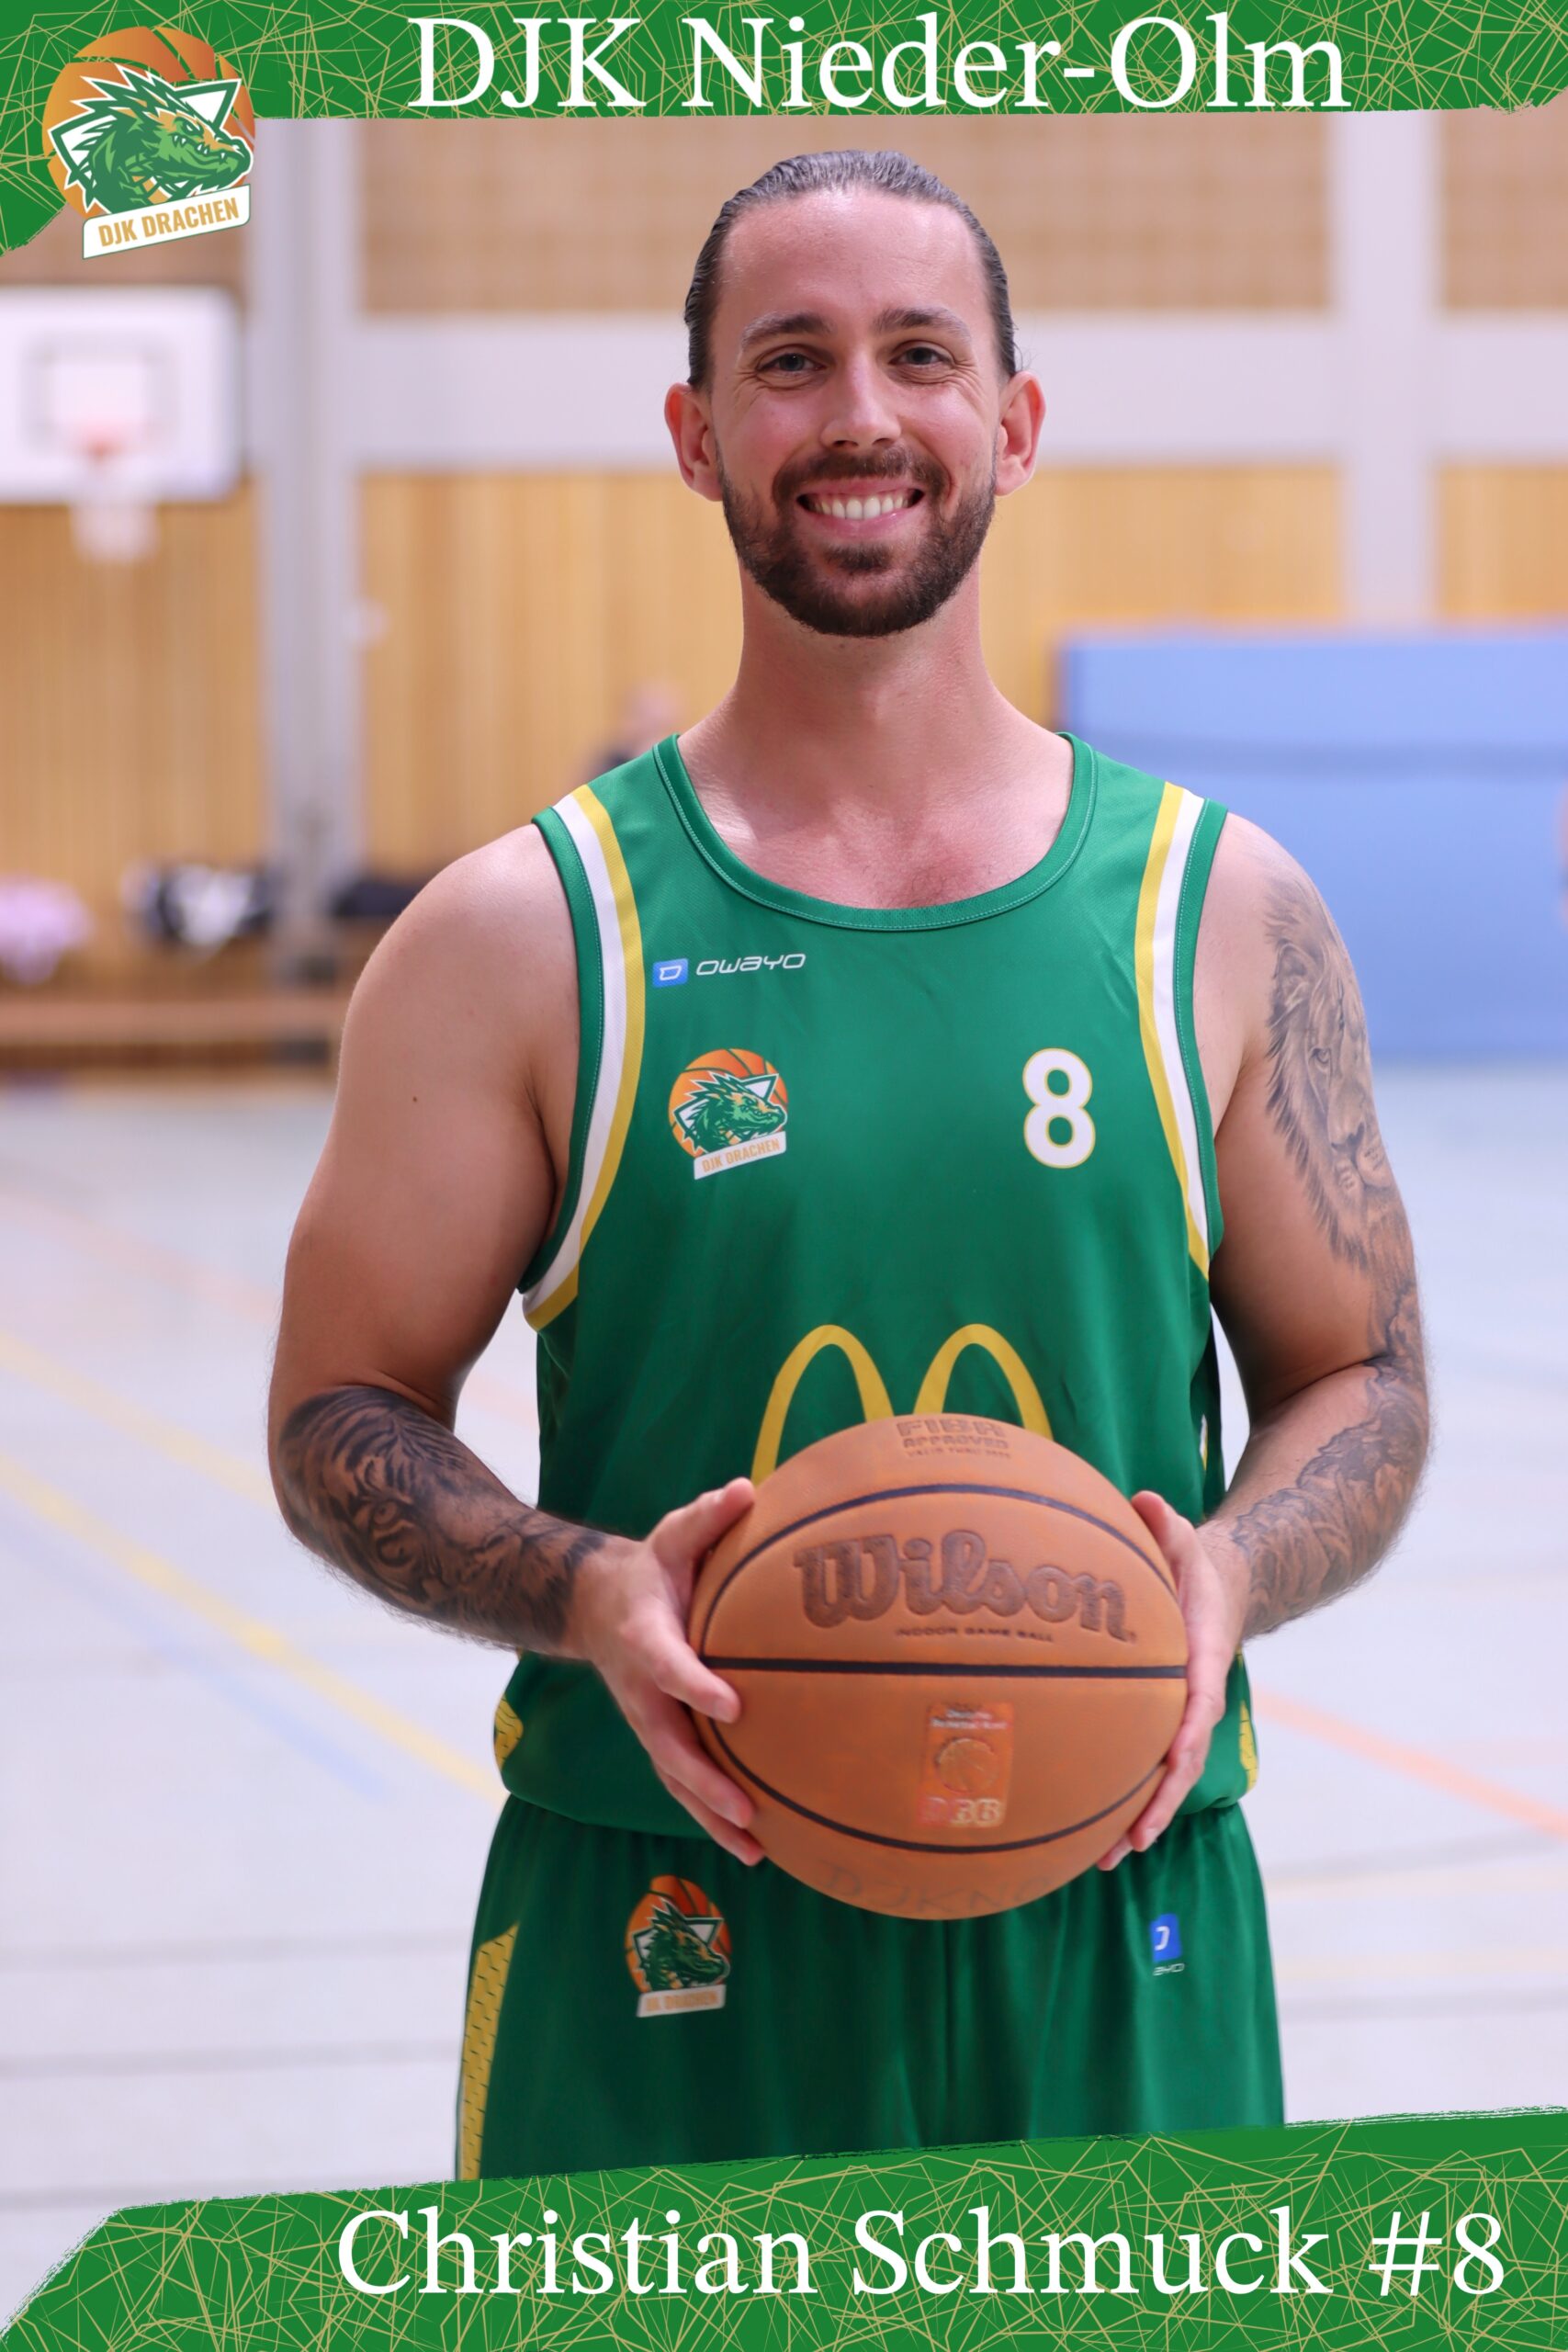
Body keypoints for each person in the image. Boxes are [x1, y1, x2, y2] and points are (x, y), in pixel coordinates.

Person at [268, 150, 1428, 2179]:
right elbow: (336, 1413)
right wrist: (585, 1588)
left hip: (1119, 1918)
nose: (860, 416)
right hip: (668, 1929)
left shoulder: (1220, 912)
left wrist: (1232, 1567)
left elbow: (1364, 1374)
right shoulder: (522, 938)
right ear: (695, 433)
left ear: (1016, 421)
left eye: (920, 355)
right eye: (789, 361)